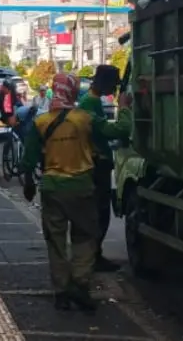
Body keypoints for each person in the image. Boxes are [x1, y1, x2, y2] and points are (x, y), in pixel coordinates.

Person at [21, 73, 131, 311]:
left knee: (56, 242)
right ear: (72, 91)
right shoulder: (86, 118)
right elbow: (121, 131)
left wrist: (28, 183)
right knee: (84, 238)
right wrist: (123, 108)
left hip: (51, 189)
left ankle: (61, 292)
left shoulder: (41, 122)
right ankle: (80, 284)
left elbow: (28, 159)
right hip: (82, 188)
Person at [77, 65, 123, 272]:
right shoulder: (89, 103)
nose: (114, 89)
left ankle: (95, 254)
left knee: (99, 211)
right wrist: (127, 111)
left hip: (97, 162)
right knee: (99, 211)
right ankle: (92, 256)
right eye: (113, 84)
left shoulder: (92, 101)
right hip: (96, 165)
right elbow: (108, 130)